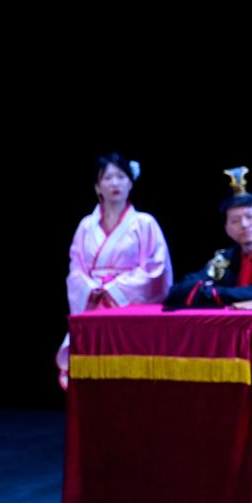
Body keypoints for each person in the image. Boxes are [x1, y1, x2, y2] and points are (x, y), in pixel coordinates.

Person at [57, 153, 173, 389]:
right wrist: (92, 289)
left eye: (121, 176)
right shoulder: (86, 226)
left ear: (131, 182)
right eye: (107, 178)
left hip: (129, 304)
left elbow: (155, 268)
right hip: (93, 302)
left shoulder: (144, 223)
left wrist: (113, 289)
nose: (115, 183)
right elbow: (76, 268)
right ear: (97, 187)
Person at [165, 166, 252, 307]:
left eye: (250, 217)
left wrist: (214, 293)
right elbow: (179, 290)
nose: (244, 224)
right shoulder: (225, 259)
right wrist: (207, 292)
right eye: (235, 221)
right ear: (227, 229)